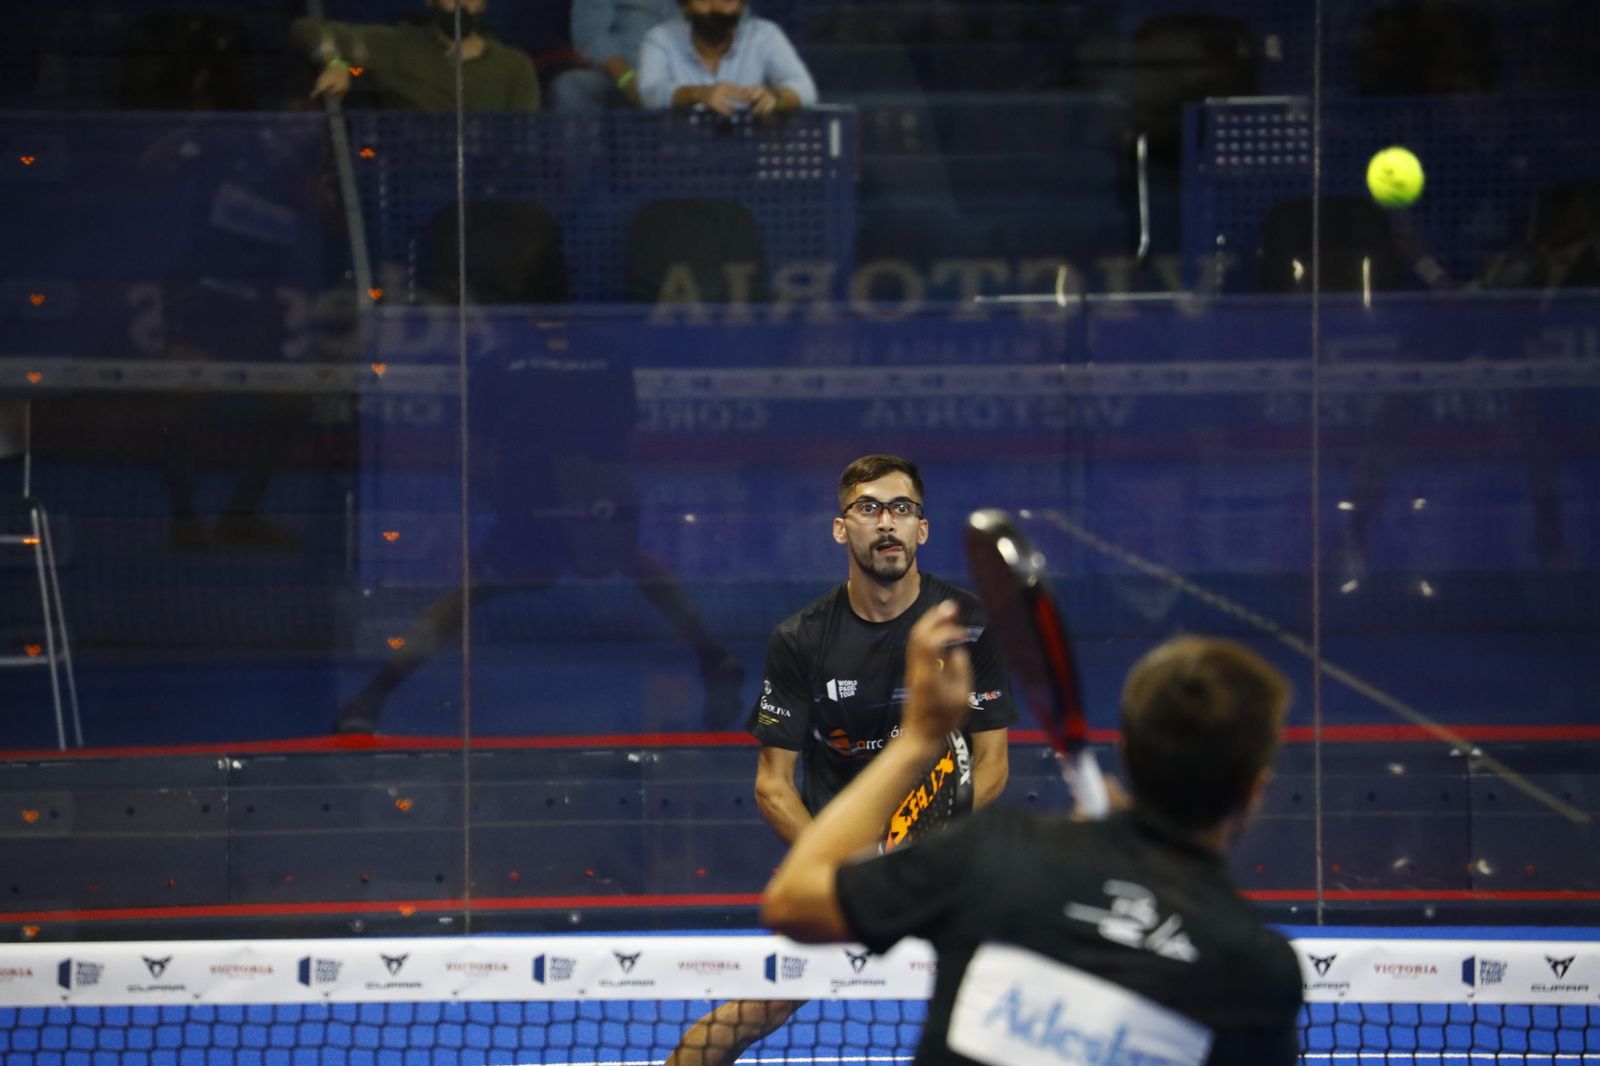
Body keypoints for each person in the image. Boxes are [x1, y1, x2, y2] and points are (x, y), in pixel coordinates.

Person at [762, 611, 1304, 1066]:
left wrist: (919, 739)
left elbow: (793, 900)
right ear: (1252, 791)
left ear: (1130, 752)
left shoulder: (996, 852)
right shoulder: (1258, 970)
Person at [664, 454, 1017, 1065]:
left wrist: (920, 852)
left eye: (902, 509)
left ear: (922, 528)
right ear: (840, 527)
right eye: (868, 508)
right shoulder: (801, 639)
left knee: (1015, 1007)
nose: (887, 522)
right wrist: (838, 871)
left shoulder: (968, 626)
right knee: (755, 1010)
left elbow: (991, 766)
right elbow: (773, 785)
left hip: (944, 865)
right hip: (843, 874)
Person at [290, 0, 540, 110]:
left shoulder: (514, 65)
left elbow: (524, 138)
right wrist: (336, 62)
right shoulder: (399, 44)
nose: (461, 3)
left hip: (490, 182)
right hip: (411, 179)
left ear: (484, 3)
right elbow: (307, 29)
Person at [638, 0, 817, 115]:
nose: (717, 7)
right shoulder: (661, 39)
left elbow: (805, 88)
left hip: (754, 154)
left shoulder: (764, 35)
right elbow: (649, 93)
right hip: (681, 157)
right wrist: (697, 94)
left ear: (741, 5)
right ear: (686, 5)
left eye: (727, 0)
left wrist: (775, 98)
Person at [551, 0, 678, 112]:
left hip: (678, 76)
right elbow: (593, 35)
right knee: (571, 86)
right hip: (622, 75)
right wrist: (627, 81)